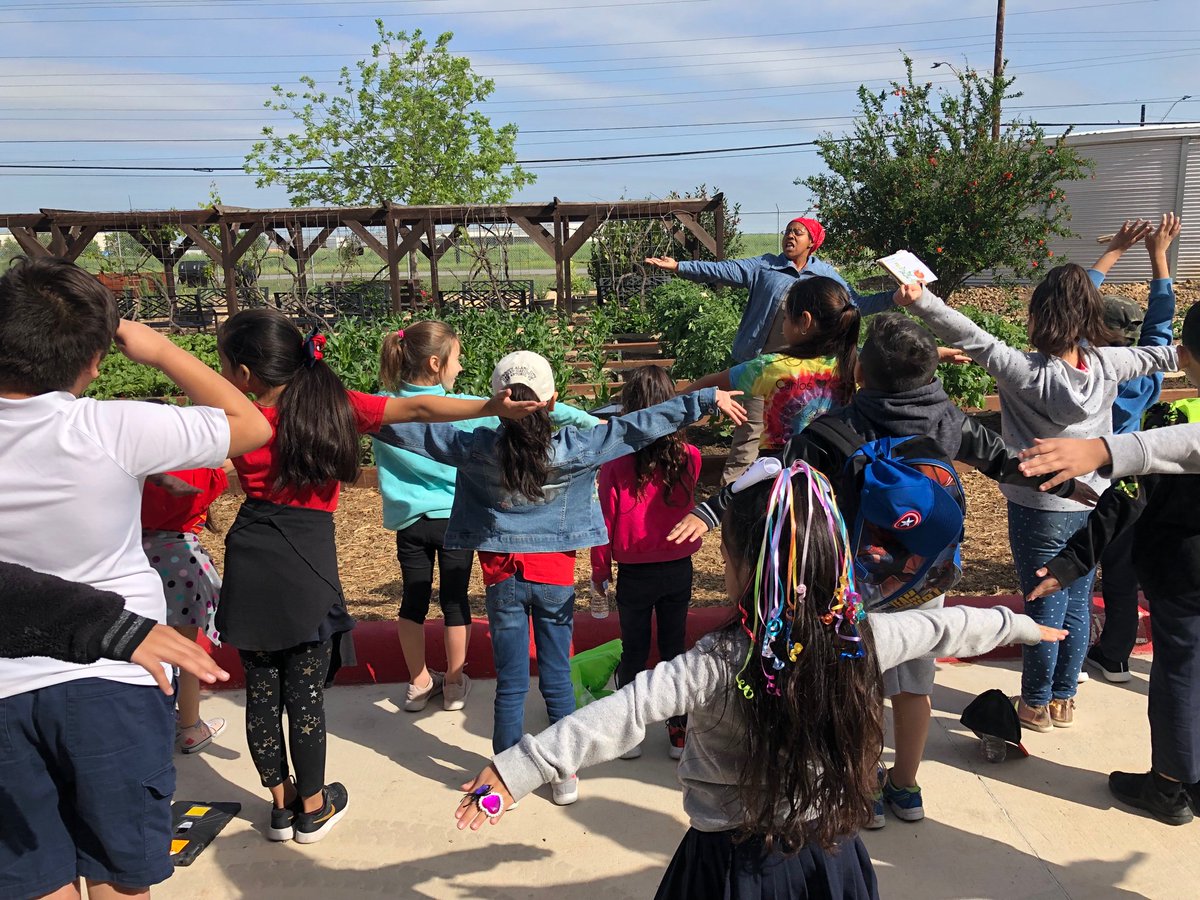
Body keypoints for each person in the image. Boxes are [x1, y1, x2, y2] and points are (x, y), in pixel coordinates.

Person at [452, 461, 1066, 899]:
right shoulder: (863, 638)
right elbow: (945, 627)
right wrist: (1019, 626)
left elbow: (624, 711)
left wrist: (517, 771)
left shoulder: (716, 662)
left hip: (730, 867)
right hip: (830, 857)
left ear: (746, 568)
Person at [670, 311, 1091, 827]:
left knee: (859, 681)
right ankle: (907, 787)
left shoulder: (830, 432)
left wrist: (713, 510)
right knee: (915, 683)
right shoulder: (949, 420)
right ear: (930, 374)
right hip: (924, 575)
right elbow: (1010, 462)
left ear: (860, 373)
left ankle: (865, 787)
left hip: (853, 583)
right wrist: (1071, 485)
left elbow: (775, 485)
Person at [214, 309, 541, 844]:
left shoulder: (236, 415)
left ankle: (280, 807)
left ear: (245, 374)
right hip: (306, 558)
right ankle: (313, 808)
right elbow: (419, 406)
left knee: (262, 692)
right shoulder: (332, 406)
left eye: (225, 365)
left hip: (249, 554)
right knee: (304, 697)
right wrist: (490, 406)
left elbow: (194, 457)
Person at [0, 256, 272, 900]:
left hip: (5, 685)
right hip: (116, 672)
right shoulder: (111, 426)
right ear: (95, 358)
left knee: (35, 877)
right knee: (118, 874)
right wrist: (159, 349)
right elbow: (252, 425)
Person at [375, 351, 746, 807]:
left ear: (499, 402)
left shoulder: (476, 447)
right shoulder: (576, 446)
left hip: (502, 578)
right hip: (554, 579)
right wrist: (702, 400)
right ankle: (564, 775)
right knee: (555, 677)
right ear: (552, 401)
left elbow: (408, 429)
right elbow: (637, 427)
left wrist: (348, 409)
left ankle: (503, 779)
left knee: (511, 682)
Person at [894, 267, 1177, 732]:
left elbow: (971, 336)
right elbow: (1161, 353)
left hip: (1038, 506)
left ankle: (1034, 703)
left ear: (1039, 315)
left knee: (1042, 601)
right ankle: (1064, 699)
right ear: (1090, 314)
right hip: (1093, 500)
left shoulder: (1024, 371)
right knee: (1078, 598)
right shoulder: (1109, 364)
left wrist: (922, 300)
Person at [1026, 300, 1200, 826]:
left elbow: (1126, 498)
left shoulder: (1177, 420)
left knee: (1180, 673)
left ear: (1189, 356)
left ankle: (1169, 786)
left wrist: (1071, 562)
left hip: (1183, 575)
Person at [372, 322, 599, 713]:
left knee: (412, 601)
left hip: (409, 523)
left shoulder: (382, 406)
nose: (460, 367)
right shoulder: (464, 410)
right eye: (457, 359)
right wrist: (584, 420)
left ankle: (418, 681)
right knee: (455, 600)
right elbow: (526, 408)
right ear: (435, 363)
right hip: (454, 519)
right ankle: (454, 684)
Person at [645, 216, 895, 481]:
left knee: (803, 435)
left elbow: (855, 305)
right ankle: (733, 494)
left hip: (804, 373)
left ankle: (785, 490)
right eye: (788, 231)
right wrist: (679, 266)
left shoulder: (826, 276)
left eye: (798, 232)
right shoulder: (765, 266)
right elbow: (722, 270)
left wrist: (894, 297)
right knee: (747, 439)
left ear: (812, 242)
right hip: (763, 368)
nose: (790, 236)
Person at [1086, 215, 1181, 683]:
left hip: (1081, 480)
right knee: (1121, 575)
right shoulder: (1146, 372)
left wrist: (1116, 249)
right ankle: (1116, 656)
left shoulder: (1083, 370)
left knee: (1075, 569)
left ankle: (1067, 659)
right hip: (1128, 479)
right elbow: (1160, 328)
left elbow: (1070, 307)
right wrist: (1158, 256)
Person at [590, 365, 702, 760]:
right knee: (674, 648)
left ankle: (629, 732)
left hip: (634, 571)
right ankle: (678, 732)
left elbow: (603, 524)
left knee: (634, 650)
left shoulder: (615, 464)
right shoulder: (690, 457)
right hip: (678, 565)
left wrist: (599, 572)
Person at [681, 275, 859, 455]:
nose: (783, 324)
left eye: (785, 317)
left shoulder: (773, 366)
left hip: (783, 468)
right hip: (839, 467)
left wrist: (672, 404)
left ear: (805, 321)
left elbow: (711, 383)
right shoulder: (855, 366)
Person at [0, 559, 229, 690]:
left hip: (119, 648)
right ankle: (191, 725)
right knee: (186, 653)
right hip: (117, 665)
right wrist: (109, 625)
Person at [141, 461, 232, 754]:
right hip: (182, 563)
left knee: (144, 649)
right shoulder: (198, 471)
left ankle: (153, 724)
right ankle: (191, 727)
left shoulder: (137, 471)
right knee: (186, 653)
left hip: (139, 559)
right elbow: (230, 463)